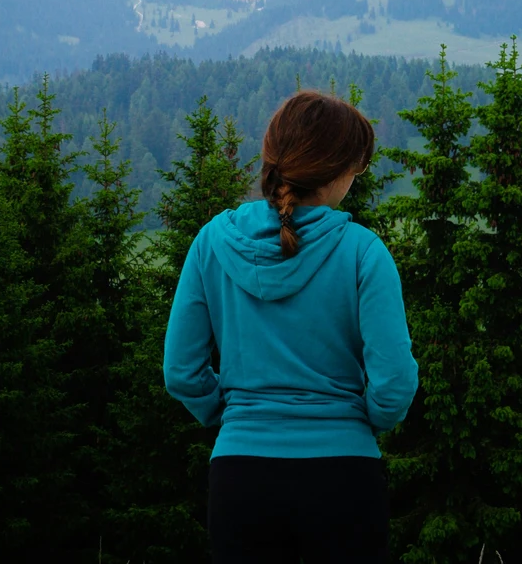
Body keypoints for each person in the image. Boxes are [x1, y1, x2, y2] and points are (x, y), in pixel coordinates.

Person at [163, 89, 419, 563]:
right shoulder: (364, 252)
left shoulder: (212, 243)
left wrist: (234, 416)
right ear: (334, 170)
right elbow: (394, 386)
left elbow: (181, 371)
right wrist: (358, 423)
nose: (356, 177)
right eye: (356, 166)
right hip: (344, 477)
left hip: (239, 477)